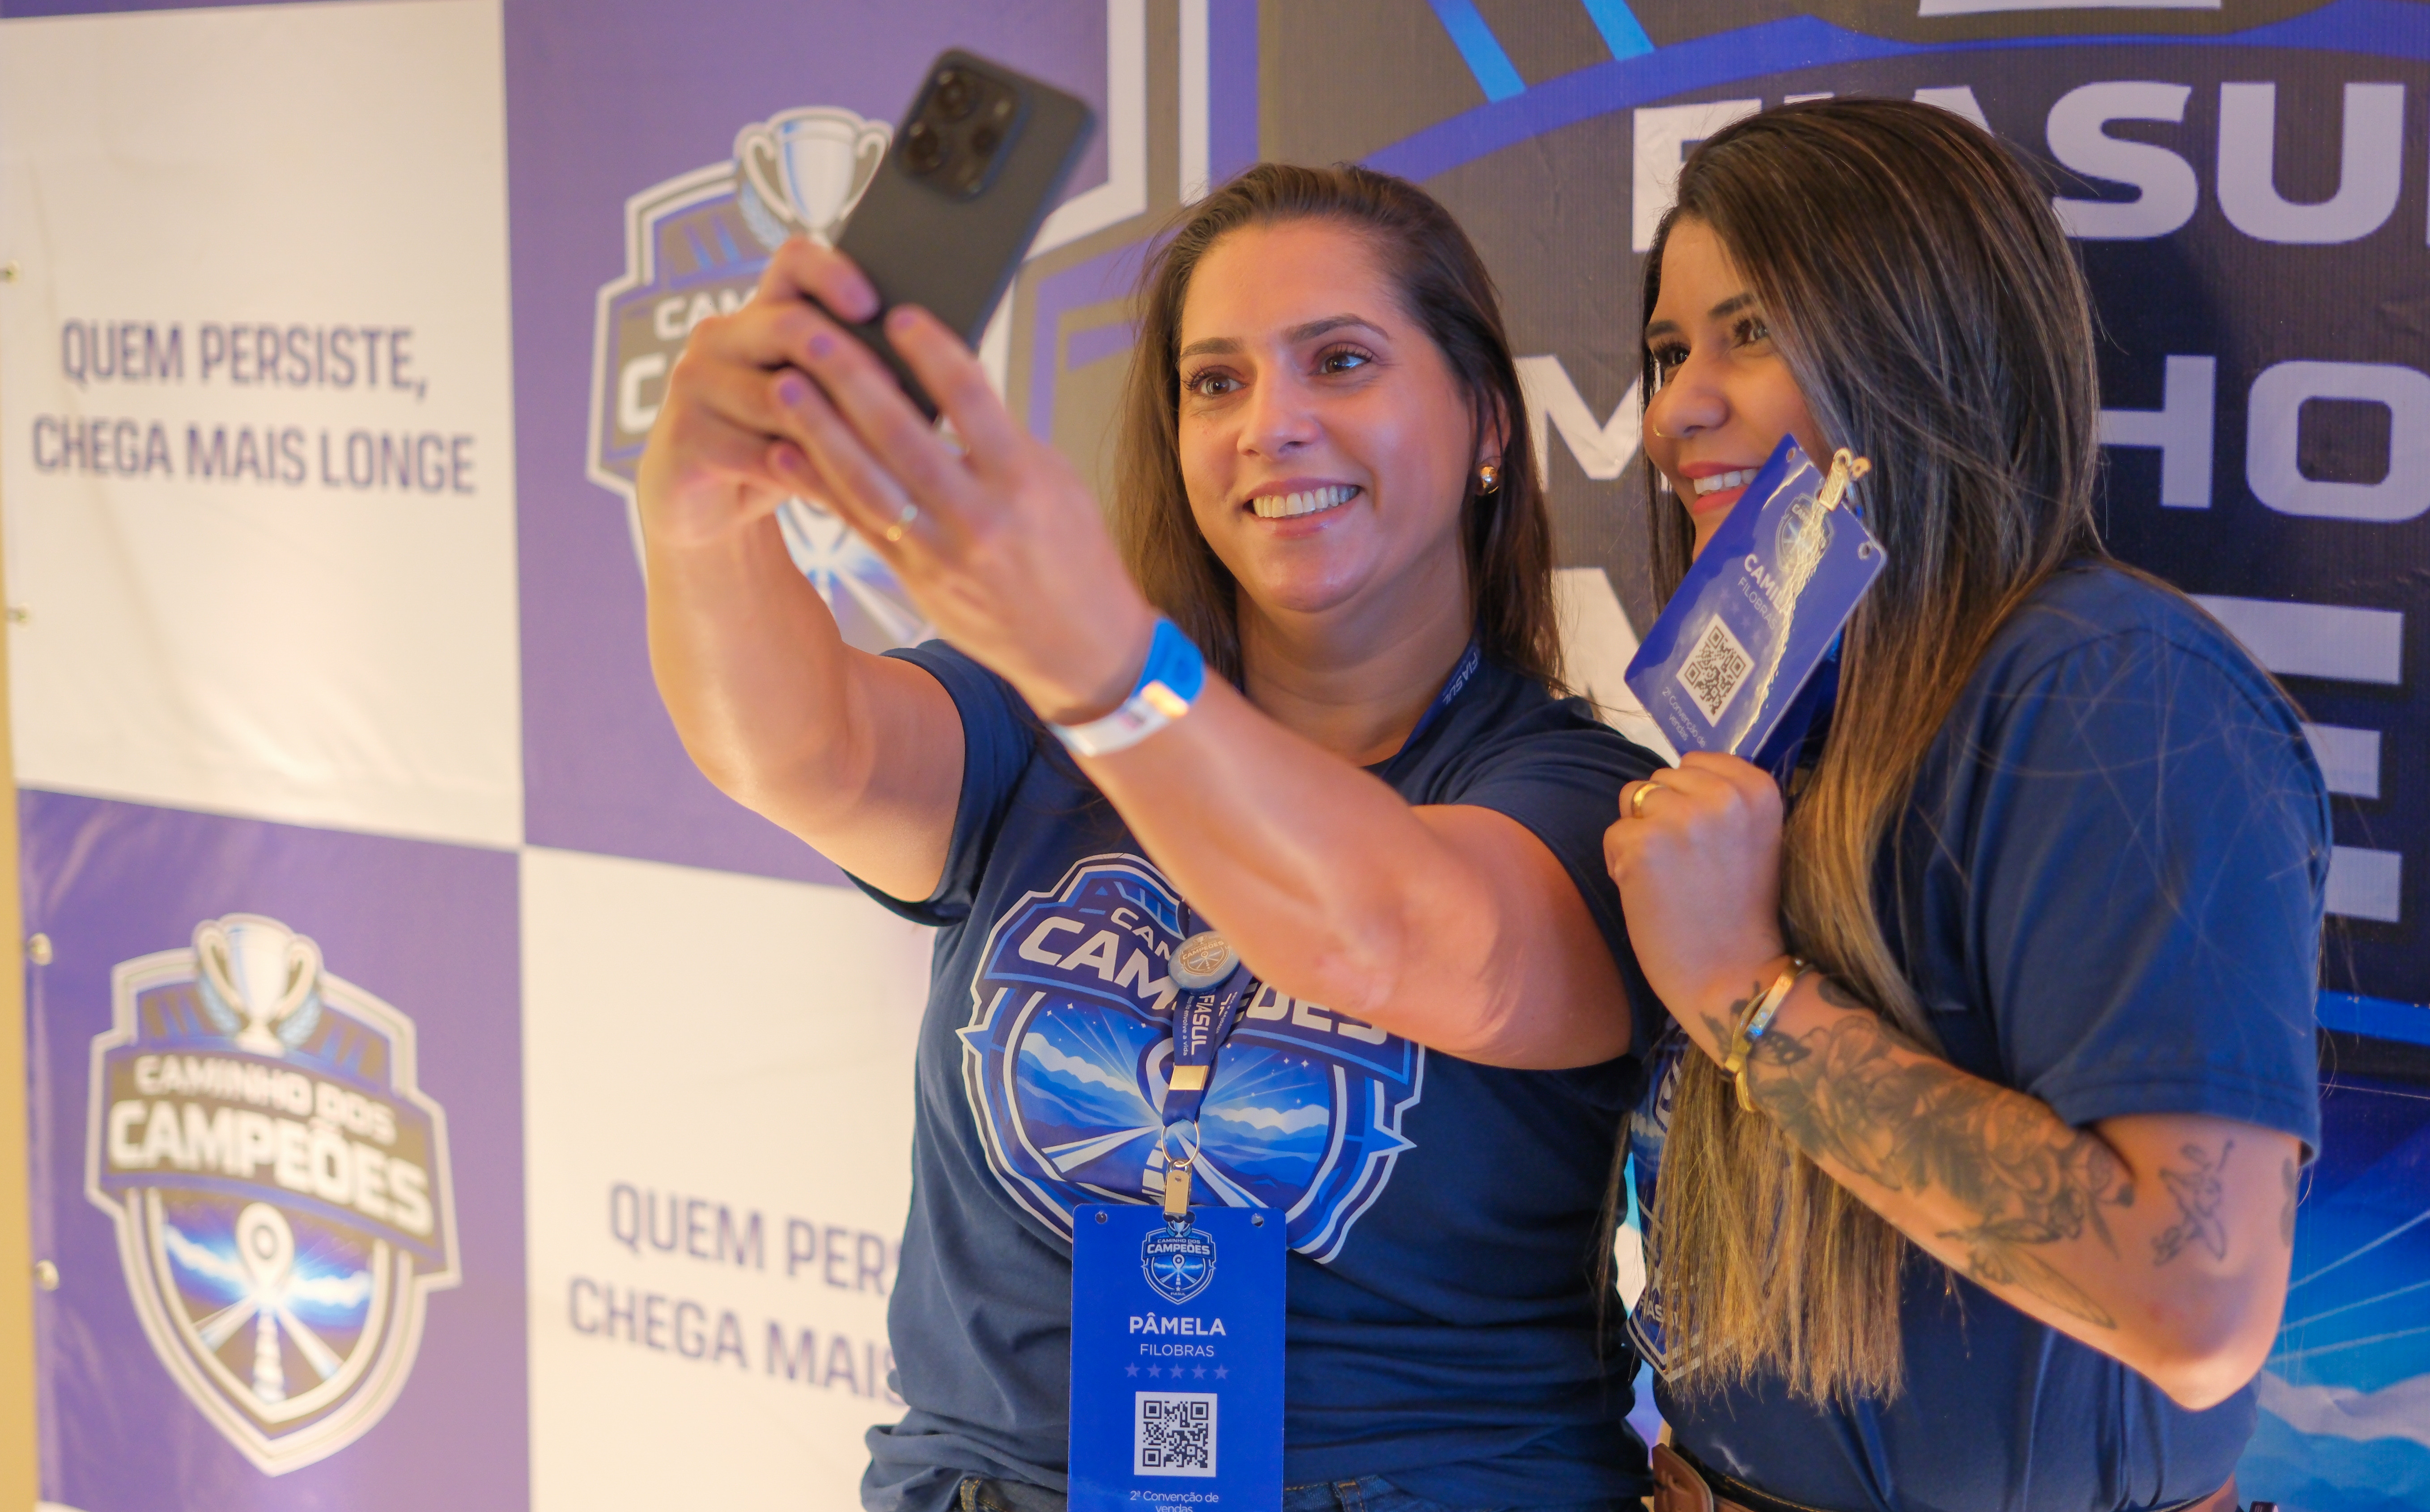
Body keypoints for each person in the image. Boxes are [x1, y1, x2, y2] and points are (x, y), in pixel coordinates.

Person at [637, 162, 1666, 1512]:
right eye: (1216, 383)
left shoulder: (1588, 798)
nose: (1271, 425)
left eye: (1341, 362)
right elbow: (797, 751)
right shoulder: (1038, 717)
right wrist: (699, 510)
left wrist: (1110, 669)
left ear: (1487, 420)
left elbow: (1391, 935)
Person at [1603, 98, 2325, 1512]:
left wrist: (1746, 994)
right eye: (1671, 350)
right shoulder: (1795, 711)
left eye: (1754, 332)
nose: (1675, 409)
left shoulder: (2111, 689)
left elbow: (2193, 1305)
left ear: (1926, 347)